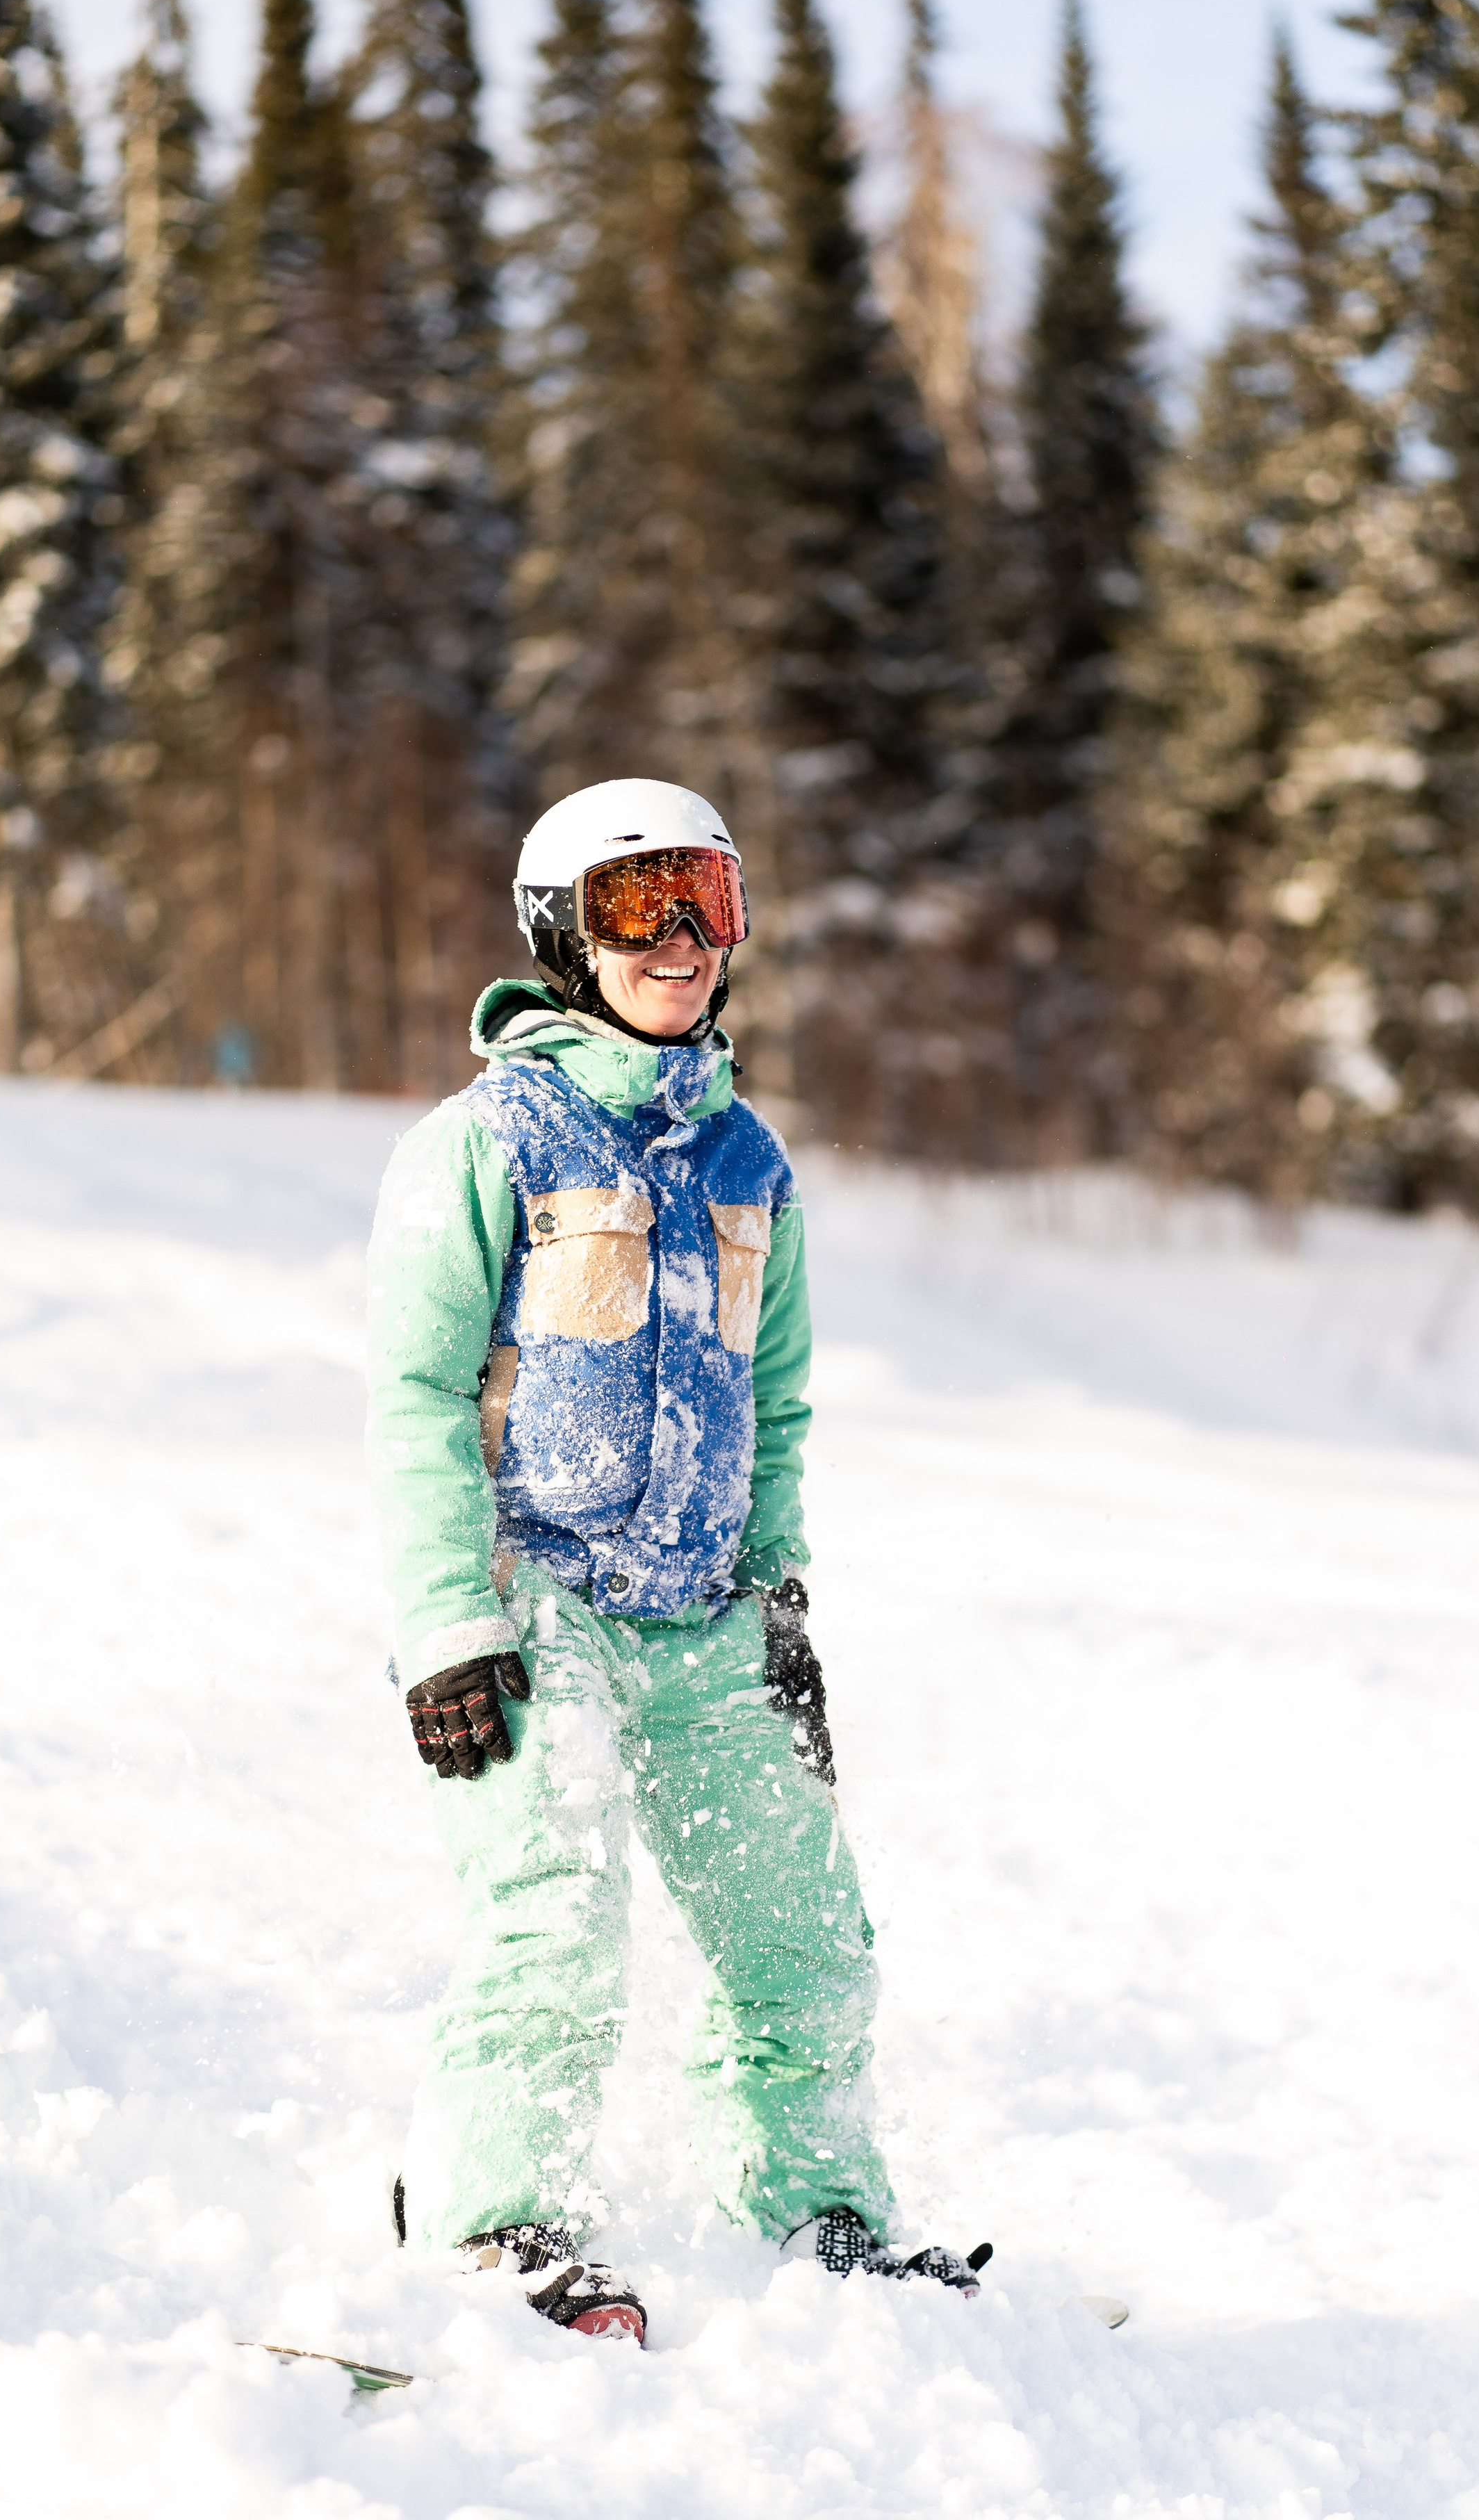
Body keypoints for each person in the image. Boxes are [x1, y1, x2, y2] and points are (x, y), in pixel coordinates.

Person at [365, 778, 988, 2341]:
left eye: (709, 897)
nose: (682, 937)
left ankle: (815, 2215)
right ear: (560, 933)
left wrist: (778, 1604)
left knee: (804, 1938)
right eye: (637, 903)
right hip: (531, 1596)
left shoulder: (748, 1163)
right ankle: (492, 2223)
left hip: (703, 1613)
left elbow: (774, 1408)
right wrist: (448, 1625)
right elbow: (416, 1395)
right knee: (554, 1920)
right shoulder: (485, 1140)